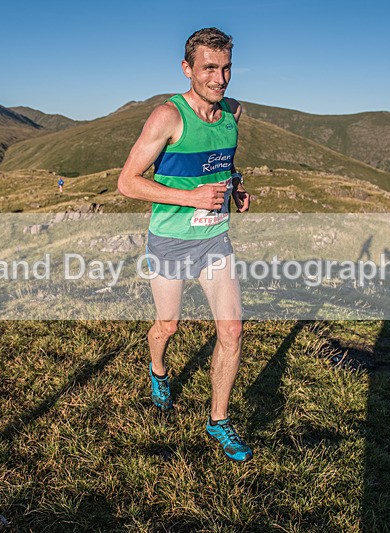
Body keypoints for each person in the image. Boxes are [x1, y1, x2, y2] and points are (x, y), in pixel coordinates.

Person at [117, 27, 252, 462]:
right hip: (171, 241)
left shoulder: (232, 112)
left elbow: (221, 162)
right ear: (187, 68)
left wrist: (236, 188)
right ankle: (158, 369)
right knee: (168, 326)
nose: (220, 78)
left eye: (226, 67)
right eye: (209, 68)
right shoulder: (167, 117)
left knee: (231, 330)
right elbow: (127, 183)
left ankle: (218, 421)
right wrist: (189, 197)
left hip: (214, 239)